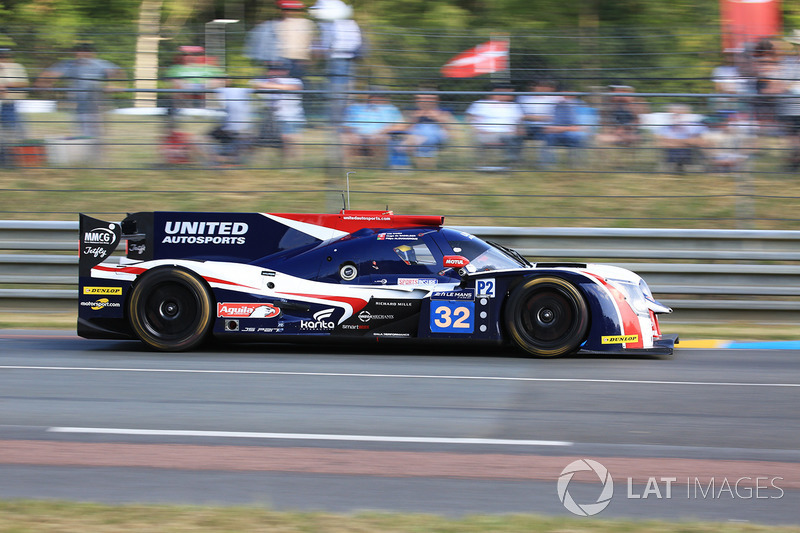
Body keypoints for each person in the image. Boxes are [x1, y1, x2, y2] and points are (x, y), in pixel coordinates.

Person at [36, 42, 125, 157]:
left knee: (96, 131)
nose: (82, 54)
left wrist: (115, 86)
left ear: (92, 53)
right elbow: (51, 73)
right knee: (82, 130)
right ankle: (85, 156)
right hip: (78, 104)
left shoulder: (100, 64)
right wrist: (44, 82)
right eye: (80, 51)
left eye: (86, 51)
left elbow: (118, 72)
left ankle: (97, 158)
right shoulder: (69, 64)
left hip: (96, 103)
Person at [310, 0, 362, 124]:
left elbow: (329, 44)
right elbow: (356, 42)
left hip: (337, 60)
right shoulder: (350, 23)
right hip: (348, 60)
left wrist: (322, 50)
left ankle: (336, 120)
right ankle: (344, 120)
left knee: (336, 91)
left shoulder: (332, 25)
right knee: (345, 91)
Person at [245, 0, 316, 80]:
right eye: (287, 9)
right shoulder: (272, 25)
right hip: (280, 61)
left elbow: (311, 42)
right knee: (281, 85)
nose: (291, 12)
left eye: (294, 10)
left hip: (299, 62)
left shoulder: (307, 23)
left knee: (296, 84)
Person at [253, 60, 305, 160]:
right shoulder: (265, 81)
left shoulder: (293, 81)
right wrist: (273, 85)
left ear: (285, 71)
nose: (273, 72)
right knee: (276, 141)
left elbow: (295, 88)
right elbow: (256, 84)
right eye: (271, 70)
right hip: (271, 117)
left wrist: (274, 85)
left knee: (289, 139)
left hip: (290, 116)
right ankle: (284, 162)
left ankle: (293, 163)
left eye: (277, 70)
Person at [466, 84, 524, 170]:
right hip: (486, 134)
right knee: (511, 138)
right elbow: (470, 118)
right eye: (509, 92)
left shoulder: (514, 106)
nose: (512, 95)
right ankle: (510, 160)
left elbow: (519, 121)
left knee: (515, 137)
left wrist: (517, 130)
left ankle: (510, 161)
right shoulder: (481, 104)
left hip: (508, 134)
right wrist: (477, 129)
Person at [341, 91, 404, 166]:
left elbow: (401, 126)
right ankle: (347, 167)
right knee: (345, 139)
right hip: (357, 135)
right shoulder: (355, 108)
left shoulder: (391, 109)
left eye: (379, 97)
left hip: (379, 135)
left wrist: (384, 131)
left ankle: (378, 166)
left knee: (377, 139)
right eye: (372, 97)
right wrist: (351, 133)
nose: (374, 100)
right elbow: (346, 124)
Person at [540, 85, 593, 167]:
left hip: (568, 133)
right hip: (555, 133)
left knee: (578, 137)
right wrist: (570, 128)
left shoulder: (579, 105)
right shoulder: (551, 105)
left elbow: (583, 128)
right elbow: (547, 129)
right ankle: (548, 165)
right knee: (549, 136)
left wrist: (561, 129)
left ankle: (578, 164)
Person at [401, 91, 455, 168]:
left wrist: (437, 117)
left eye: (429, 99)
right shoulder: (412, 111)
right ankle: (425, 160)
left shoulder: (443, 111)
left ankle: (417, 148)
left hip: (436, 134)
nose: (426, 101)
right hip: (417, 133)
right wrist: (415, 118)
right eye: (422, 99)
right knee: (418, 135)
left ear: (436, 100)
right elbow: (405, 128)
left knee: (427, 133)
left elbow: (449, 127)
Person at [164, 46, 225, 111]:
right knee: (178, 85)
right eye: (186, 54)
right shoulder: (176, 68)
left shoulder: (209, 68)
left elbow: (224, 79)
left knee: (214, 84)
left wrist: (210, 83)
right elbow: (169, 80)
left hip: (205, 86)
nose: (190, 56)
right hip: (185, 87)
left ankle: (212, 111)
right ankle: (184, 111)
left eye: (195, 54)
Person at [210, 80, 256, 164]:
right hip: (234, 128)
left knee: (226, 153)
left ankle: (225, 160)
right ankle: (226, 159)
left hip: (234, 129)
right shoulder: (239, 91)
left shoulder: (225, 91)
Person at [655, 104, 707, 172]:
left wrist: (672, 141)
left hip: (691, 153)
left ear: (687, 114)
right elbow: (659, 143)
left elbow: (702, 142)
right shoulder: (664, 128)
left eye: (679, 114)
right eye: (673, 114)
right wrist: (687, 142)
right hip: (672, 153)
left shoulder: (697, 126)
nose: (676, 116)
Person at [776, 30, 800, 171]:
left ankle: (794, 161)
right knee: (791, 135)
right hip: (789, 105)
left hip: (793, 104)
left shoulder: (789, 62)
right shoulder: (788, 62)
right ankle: (794, 160)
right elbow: (782, 82)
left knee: (793, 136)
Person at [0, 48, 29, 144]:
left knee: (15, 132)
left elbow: (24, 83)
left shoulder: (16, 67)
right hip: (4, 103)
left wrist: (7, 85)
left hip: (12, 103)